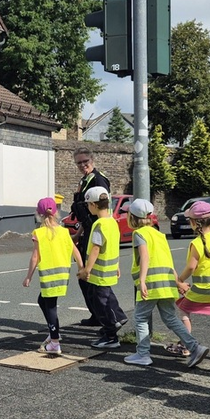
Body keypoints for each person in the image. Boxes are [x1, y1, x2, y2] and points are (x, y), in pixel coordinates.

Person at [123, 198, 210, 368]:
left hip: (151, 283)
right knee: (170, 318)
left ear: (132, 217)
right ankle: (194, 347)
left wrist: (141, 281)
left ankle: (143, 354)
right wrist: (177, 282)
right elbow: (168, 262)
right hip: (167, 284)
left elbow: (145, 257)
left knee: (140, 317)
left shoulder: (139, 234)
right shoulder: (159, 234)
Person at [23, 197, 84, 355]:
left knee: (50, 306)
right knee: (43, 301)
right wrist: (81, 267)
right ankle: (54, 333)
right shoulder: (64, 232)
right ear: (56, 212)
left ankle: (55, 342)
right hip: (63, 275)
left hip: (49, 276)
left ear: (39, 214)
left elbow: (35, 257)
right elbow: (75, 251)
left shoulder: (39, 233)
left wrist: (28, 276)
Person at [175, 201, 210, 359]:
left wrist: (180, 279)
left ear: (194, 223)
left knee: (184, 309)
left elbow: (191, 267)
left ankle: (186, 346)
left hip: (202, 289)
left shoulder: (197, 243)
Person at [77, 187, 127, 349]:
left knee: (100, 303)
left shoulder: (99, 225)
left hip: (98, 273)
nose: (87, 208)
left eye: (87, 205)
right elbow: (113, 246)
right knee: (106, 296)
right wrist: (117, 265)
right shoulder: (112, 222)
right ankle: (118, 317)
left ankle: (111, 334)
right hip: (109, 269)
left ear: (93, 204)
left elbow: (96, 249)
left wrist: (87, 269)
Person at [70, 147, 113, 327]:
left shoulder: (98, 179)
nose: (82, 165)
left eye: (85, 161)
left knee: (90, 276)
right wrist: (78, 234)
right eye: (79, 162)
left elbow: (102, 208)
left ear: (92, 160)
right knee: (86, 279)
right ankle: (97, 315)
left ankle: (108, 317)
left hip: (97, 232)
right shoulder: (85, 180)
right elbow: (84, 212)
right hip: (88, 231)